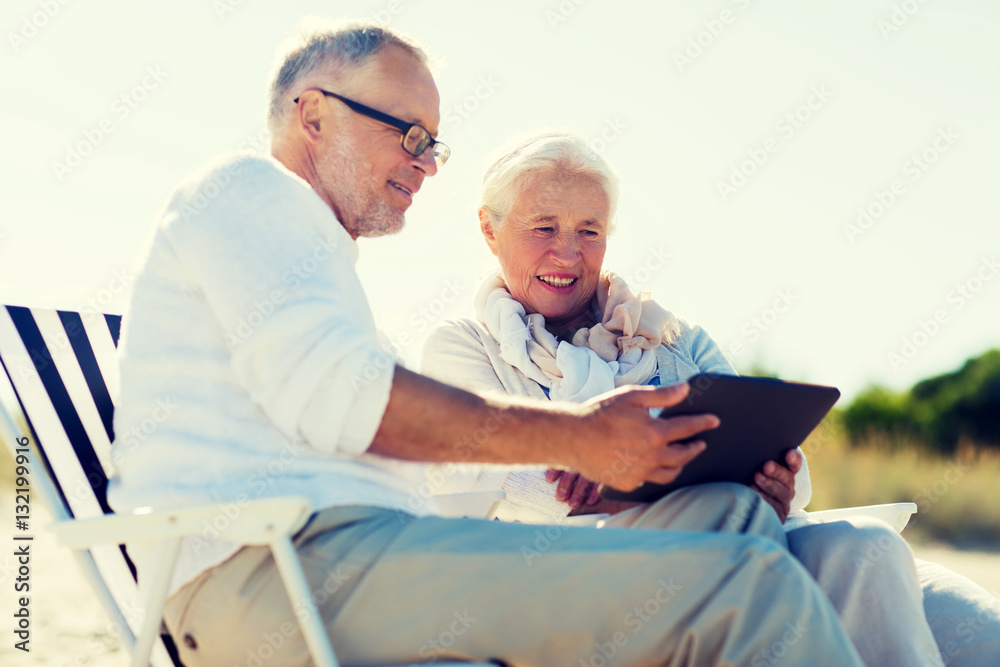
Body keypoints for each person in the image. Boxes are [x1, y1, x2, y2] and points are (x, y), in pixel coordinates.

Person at [105, 19, 870, 667]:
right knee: (748, 581)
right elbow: (343, 397)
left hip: (367, 561)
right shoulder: (244, 190)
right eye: (407, 133)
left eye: (433, 145)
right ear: (312, 115)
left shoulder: (321, 269)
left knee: (731, 523)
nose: (424, 163)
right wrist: (583, 437)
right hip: (286, 575)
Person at [420, 129, 1000, 667]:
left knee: (870, 548)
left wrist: (774, 481)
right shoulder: (464, 346)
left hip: (745, 531)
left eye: (589, 230)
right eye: (543, 227)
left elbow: (795, 480)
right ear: (489, 229)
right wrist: (600, 476)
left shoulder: (675, 336)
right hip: (583, 565)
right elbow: (472, 473)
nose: (569, 253)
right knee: (732, 530)